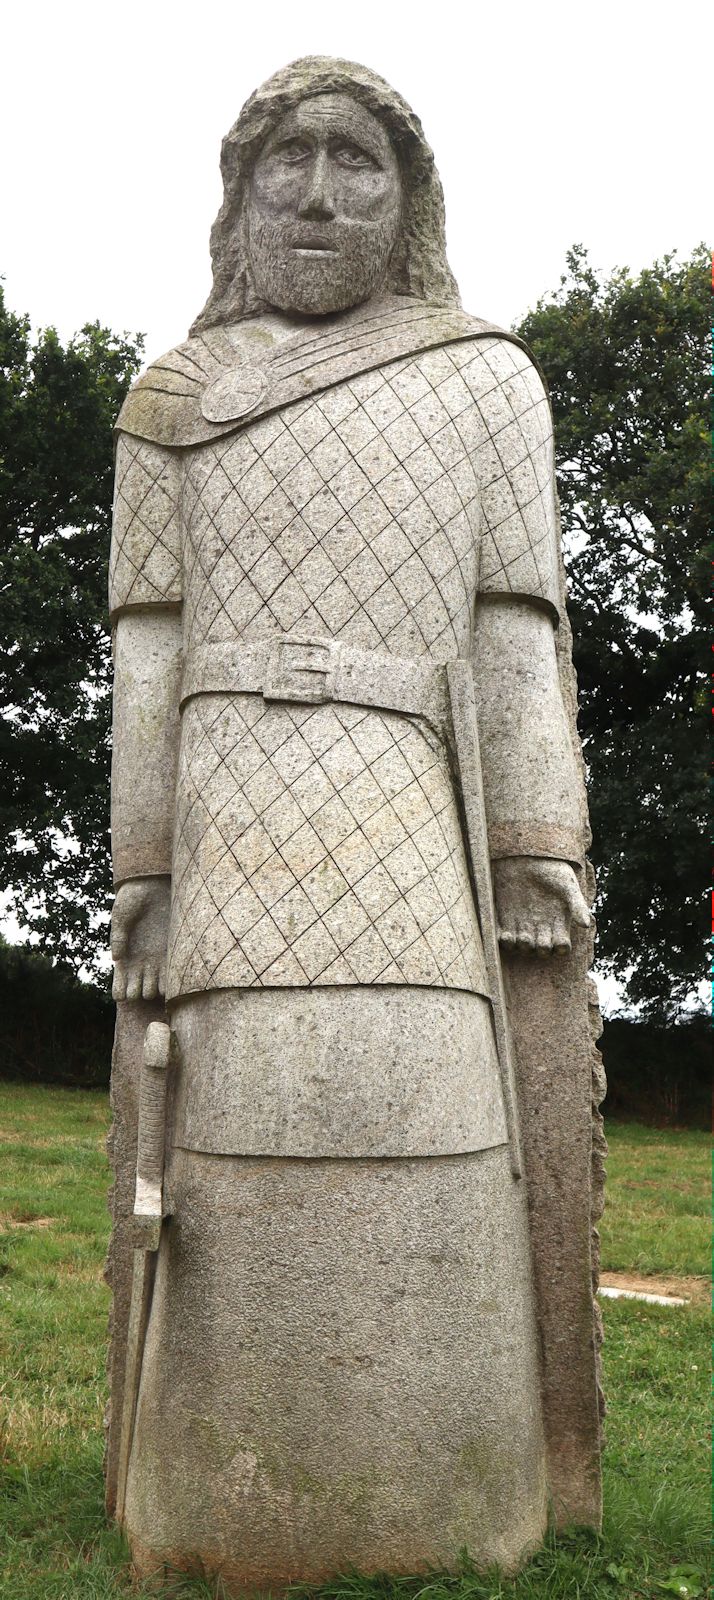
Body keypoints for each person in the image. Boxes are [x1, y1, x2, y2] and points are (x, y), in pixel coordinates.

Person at [109, 57, 592, 1587]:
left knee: (427, 1108)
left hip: (409, 828)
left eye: (357, 162)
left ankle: (449, 1487)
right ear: (239, 198)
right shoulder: (172, 399)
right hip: (231, 809)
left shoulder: (485, 381)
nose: (319, 195)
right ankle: (216, 1497)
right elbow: (149, 648)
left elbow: (515, 627)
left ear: (411, 196)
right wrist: (142, 865)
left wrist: (532, 842)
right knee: (226, 1133)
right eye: (287, 164)